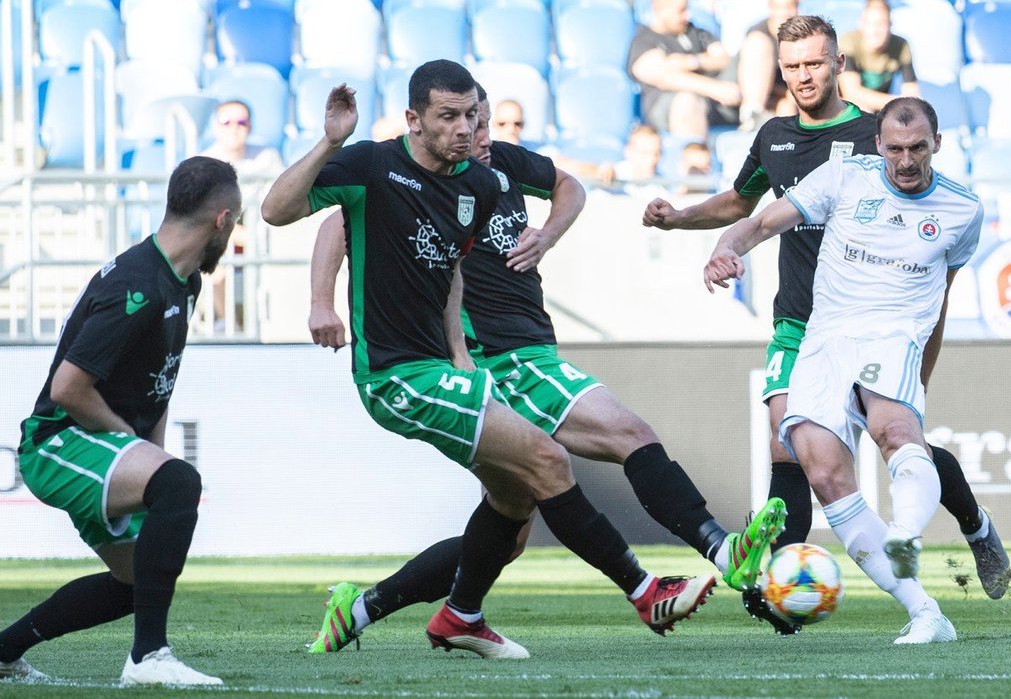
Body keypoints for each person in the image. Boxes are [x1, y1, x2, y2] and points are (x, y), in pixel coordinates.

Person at [260, 60, 765, 660]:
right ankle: (647, 587)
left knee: (514, 509)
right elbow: (278, 212)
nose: (469, 129)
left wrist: (457, 355)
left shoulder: (477, 182)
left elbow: (450, 273)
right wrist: (330, 145)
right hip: (396, 373)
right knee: (551, 459)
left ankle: (421, 612)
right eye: (451, 117)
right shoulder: (372, 163)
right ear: (415, 121)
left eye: (474, 116)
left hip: (450, 367)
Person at [643, 15, 1010, 633]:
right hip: (801, 323)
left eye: (815, 63)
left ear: (839, 64)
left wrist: (925, 352)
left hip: (883, 321)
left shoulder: (881, 136)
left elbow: (936, 268)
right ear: (779, 70)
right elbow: (743, 207)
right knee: (793, 453)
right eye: (792, 66)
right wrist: (682, 220)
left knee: (899, 435)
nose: (803, 76)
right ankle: (782, 585)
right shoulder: (776, 136)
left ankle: (975, 526)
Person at [701, 96, 982, 644]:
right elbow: (758, 223)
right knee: (827, 478)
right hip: (824, 338)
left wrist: (925, 364)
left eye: (918, 148)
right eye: (895, 148)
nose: (906, 161)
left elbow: (943, 296)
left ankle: (903, 533)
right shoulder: (844, 177)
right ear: (878, 145)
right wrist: (723, 247)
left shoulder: (962, 210)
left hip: (895, 333)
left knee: (893, 431)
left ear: (937, 145)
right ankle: (927, 614)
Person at [0, 156, 241, 685]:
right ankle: (148, 659)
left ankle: (3, 651)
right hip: (57, 443)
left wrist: (148, 451)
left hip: (98, 445)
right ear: (222, 220)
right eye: (237, 222)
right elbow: (67, 389)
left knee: (136, 584)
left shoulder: (183, 282)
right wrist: (129, 439)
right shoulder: (138, 284)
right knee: (181, 483)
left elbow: (159, 380)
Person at [199, 100, 283, 333]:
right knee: (217, 255)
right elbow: (204, 214)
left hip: (261, 229)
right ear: (216, 127)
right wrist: (239, 235)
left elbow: (279, 202)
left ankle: (272, 325)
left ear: (250, 126)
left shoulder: (267, 158)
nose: (234, 128)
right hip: (220, 232)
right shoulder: (205, 162)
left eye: (241, 122)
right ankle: (228, 324)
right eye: (227, 122)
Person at [627, 0, 740, 141]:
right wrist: (713, 88)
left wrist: (691, 61)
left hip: (715, 103)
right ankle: (694, 158)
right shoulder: (645, 40)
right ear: (660, 10)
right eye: (680, 11)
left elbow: (723, 58)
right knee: (687, 100)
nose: (687, 15)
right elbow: (659, 75)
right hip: (670, 107)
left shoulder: (696, 32)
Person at [838, 0, 920, 114]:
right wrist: (899, 102)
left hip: (882, 109)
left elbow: (912, 91)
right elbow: (851, 93)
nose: (875, 30)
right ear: (861, 23)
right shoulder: (849, 42)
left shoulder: (901, 46)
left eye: (881, 24)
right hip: (847, 108)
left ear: (890, 25)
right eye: (870, 23)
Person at [736, 0, 799, 131]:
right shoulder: (758, 35)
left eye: (790, 7)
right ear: (770, 8)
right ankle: (752, 116)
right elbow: (756, 76)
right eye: (781, 7)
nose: (786, 13)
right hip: (739, 95)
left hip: (779, 99)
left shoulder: (801, 36)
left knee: (786, 107)